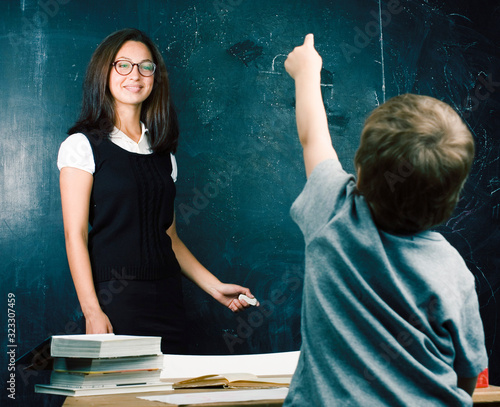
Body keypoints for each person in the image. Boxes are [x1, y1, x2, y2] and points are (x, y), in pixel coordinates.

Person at [283, 34, 487, 406]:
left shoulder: (334, 211)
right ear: (450, 199)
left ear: (359, 170)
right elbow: (467, 375)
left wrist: (306, 73)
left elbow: (313, 137)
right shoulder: (454, 273)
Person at [58, 28, 257, 354]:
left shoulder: (165, 154)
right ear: (104, 72)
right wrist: (92, 311)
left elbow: (169, 237)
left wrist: (215, 288)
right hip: (116, 301)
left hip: (169, 297)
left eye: (145, 66)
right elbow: (74, 235)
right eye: (123, 65)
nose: (135, 75)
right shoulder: (81, 146)